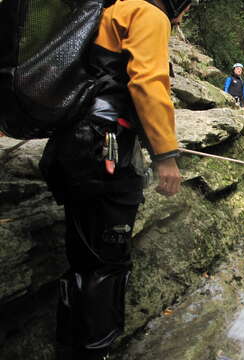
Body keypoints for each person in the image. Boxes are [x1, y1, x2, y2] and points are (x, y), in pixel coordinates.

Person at [38, 0, 188, 358]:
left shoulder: (110, 11)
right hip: (103, 151)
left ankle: (71, 348)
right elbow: (148, 83)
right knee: (107, 263)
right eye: (188, 5)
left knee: (84, 260)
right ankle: (94, 351)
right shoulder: (148, 14)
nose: (186, 13)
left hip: (74, 146)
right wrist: (165, 156)